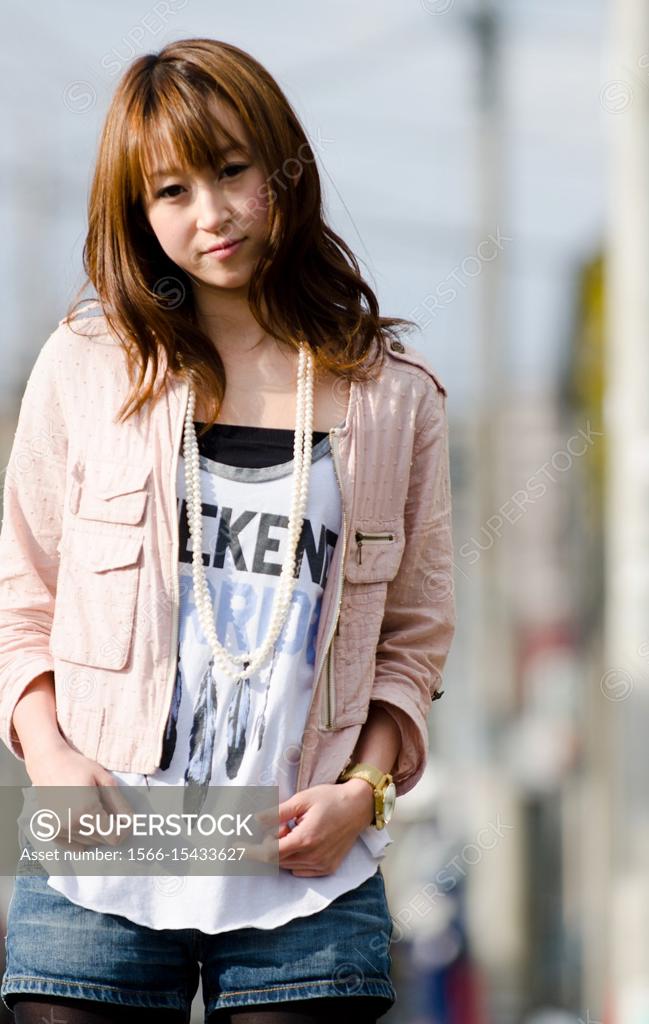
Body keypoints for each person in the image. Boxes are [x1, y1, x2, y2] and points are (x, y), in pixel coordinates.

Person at [0, 37, 456, 1024]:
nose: (209, 215)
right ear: (138, 213)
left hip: (306, 878)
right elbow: (20, 597)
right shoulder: (85, 370)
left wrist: (365, 793)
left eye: (231, 171)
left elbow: (412, 642)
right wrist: (49, 759)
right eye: (170, 191)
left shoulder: (392, 399)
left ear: (278, 165)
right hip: (101, 865)